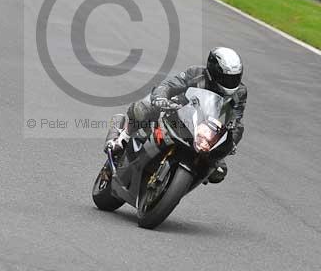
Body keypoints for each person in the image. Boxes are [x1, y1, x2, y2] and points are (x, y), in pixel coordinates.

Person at [104, 47, 247, 184]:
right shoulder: (196, 72)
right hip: (178, 111)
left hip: (206, 131)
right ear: (213, 71)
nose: (231, 82)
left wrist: (230, 143)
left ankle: (175, 183)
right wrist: (161, 98)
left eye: (234, 78)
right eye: (226, 78)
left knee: (219, 171)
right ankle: (124, 136)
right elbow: (169, 85)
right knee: (145, 107)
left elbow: (235, 119)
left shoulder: (240, 92)